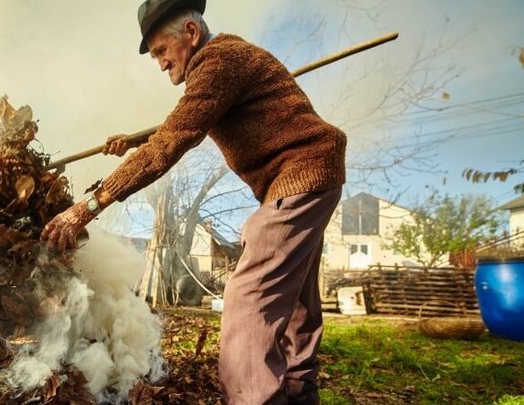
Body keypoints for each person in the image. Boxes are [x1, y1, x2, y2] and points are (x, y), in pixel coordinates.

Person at [41, 0, 346, 403]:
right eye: (154, 57)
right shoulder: (223, 65)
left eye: (162, 52)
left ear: (191, 33)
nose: (161, 64)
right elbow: (173, 129)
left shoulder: (219, 62)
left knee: (249, 300)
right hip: (314, 175)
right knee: (296, 306)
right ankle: (298, 395)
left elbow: (172, 141)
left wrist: (89, 206)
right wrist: (131, 142)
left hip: (299, 177)